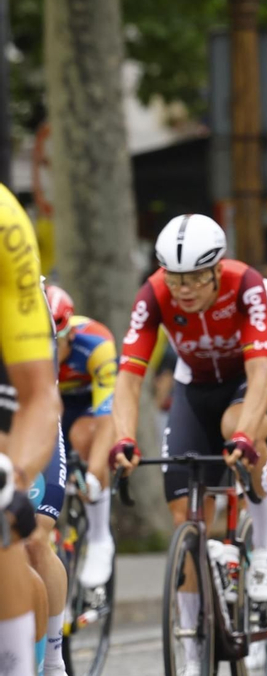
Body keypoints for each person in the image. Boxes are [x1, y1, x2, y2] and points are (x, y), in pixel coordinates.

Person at [111, 213, 267, 676]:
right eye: (175, 278)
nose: (182, 289)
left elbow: (262, 372)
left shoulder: (244, 284)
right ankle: (190, 643)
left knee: (236, 427)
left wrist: (247, 434)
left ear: (215, 270)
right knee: (186, 522)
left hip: (243, 386)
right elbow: (128, 378)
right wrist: (123, 437)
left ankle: (265, 544)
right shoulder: (154, 294)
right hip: (193, 388)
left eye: (194, 279)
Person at [0, 186, 62, 676]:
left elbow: (40, 397)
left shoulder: (7, 223)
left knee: (24, 538)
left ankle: (39, 663)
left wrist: (14, 477)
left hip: (10, 380)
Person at [46, 286, 117, 588]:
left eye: (54, 343)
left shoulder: (96, 343)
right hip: (49, 403)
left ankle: (100, 536)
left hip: (88, 407)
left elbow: (107, 419)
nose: (48, 351)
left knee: (86, 439)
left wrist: (94, 473)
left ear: (69, 335)